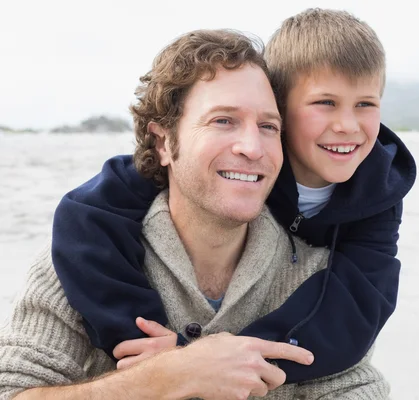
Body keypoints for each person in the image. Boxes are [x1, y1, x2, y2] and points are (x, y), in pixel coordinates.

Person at [0, 29, 390, 399]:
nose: (252, 147)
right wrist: (159, 380)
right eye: (223, 120)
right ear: (164, 142)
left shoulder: (320, 281)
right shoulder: (76, 264)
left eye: (269, 126)